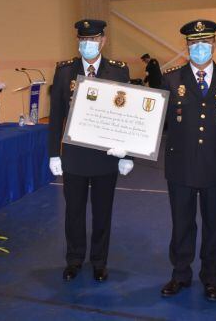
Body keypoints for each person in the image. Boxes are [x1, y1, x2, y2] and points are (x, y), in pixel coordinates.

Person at [48, 19, 133, 282]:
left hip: (106, 156)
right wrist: (54, 153)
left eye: (93, 39)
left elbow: (126, 114)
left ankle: (99, 261)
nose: (88, 45)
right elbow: (56, 116)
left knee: (102, 212)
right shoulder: (64, 71)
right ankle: (74, 259)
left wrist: (126, 153)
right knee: (73, 212)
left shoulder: (118, 71)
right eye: (83, 40)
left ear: (103, 41)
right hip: (74, 156)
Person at [160, 20, 216, 302]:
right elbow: (153, 122)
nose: (200, 49)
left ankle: (212, 278)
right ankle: (180, 274)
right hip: (180, 166)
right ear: (187, 47)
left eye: (205, 43)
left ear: (214, 45)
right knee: (181, 223)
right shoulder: (171, 80)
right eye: (194, 44)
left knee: (215, 225)